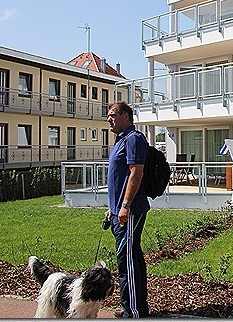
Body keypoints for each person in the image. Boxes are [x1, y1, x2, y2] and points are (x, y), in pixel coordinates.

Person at [105, 101, 149, 318]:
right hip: (119, 211)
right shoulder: (120, 140)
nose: (109, 119)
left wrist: (125, 206)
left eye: (112, 115)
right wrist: (112, 208)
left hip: (129, 212)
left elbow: (136, 173)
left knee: (127, 261)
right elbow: (119, 178)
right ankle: (136, 307)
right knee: (131, 258)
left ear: (125, 116)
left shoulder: (133, 139)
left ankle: (133, 311)